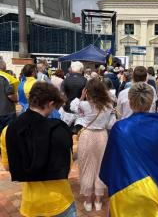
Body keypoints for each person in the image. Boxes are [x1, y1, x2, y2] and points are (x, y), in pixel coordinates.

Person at [1, 82, 75, 217]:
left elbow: (7, 166)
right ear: (50, 103)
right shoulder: (59, 129)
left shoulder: (8, 130)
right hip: (60, 200)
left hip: (31, 203)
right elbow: (68, 166)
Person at [70, 78, 116, 212]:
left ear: (88, 91)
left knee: (86, 167)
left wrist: (82, 96)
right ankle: (98, 201)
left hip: (87, 135)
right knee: (100, 167)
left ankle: (88, 201)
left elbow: (73, 107)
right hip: (102, 136)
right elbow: (109, 124)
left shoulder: (84, 105)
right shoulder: (108, 105)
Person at [60, 61, 87, 126]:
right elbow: (87, 96)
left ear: (72, 69)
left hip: (67, 110)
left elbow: (62, 95)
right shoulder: (85, 80)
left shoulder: (65, 80)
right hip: (80, 110)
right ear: (81, 69)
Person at [0, 59, 18, 133]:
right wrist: (17, 99)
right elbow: (10, 95)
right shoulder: (6, 78)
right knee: (9, 133)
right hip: (7, 112)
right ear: (2, 66)